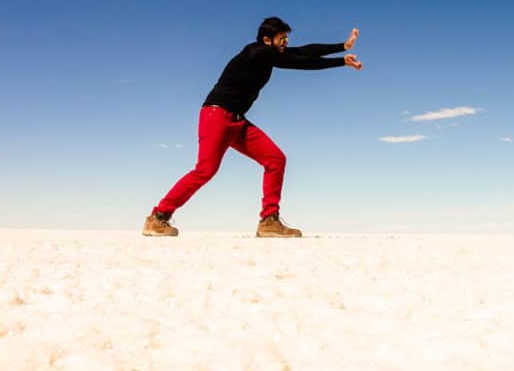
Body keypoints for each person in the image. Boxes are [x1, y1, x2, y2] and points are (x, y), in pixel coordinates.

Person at [143, 17, 363, 237]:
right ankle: (158, 217)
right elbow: (300, 62)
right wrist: (341, 62)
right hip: (217, 115)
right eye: (281, 39)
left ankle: (269, 221)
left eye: (286, 38)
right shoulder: (257, 51)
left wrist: (342, 47)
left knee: (275, 159)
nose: (285, 43)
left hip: (237, 121)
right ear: (267, 40)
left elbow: (304, 51)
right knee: (205, 170)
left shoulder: (270, 52)